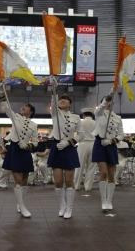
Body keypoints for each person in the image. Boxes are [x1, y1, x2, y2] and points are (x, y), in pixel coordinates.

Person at [47, 77, 84, 219]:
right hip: (57, 147)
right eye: (60, 99)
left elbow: (81, 135)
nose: (62, 101)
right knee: (57, 181)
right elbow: (53, 102)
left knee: (69, 180)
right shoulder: (56, 113)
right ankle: (62, 204)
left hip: (69, 148)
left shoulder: (76, 117)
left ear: (70, 103)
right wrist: (54, 88)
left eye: (65, 99)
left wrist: (69, 143)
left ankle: (69, 207)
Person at [0, 83, 38, 218]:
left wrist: (28, 146)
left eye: (26, 107)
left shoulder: (34, 125)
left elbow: (36, 142)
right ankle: (22, 205)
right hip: (15, 149)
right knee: (17, 178)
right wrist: (2, 94)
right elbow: (6, 107)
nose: (23, 108)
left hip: (25, 151)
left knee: (25, 179)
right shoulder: (15, 117)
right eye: (22, 107)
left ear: (31, 111)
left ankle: (20, 202)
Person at [91, 88, 124, 210]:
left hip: (110, 145)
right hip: (100, 144)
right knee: (103, 172)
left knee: (111, 174)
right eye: (106, 102)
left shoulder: (118, 118)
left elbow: (121, 134)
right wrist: (108, 96)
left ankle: (109, 200)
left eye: (110, 102)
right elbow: (100, 107)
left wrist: (111, 141)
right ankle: (103, 200)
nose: (109, 103)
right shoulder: (99, 113)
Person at [74, 108, 96, 192]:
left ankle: (77, 185)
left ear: (84, 115)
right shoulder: (96, 123)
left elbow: (76, 132)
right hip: (93, 144)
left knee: (79, 165)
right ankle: (88, 187)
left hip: (83, 143)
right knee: (91, 166)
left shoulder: (81, 122)